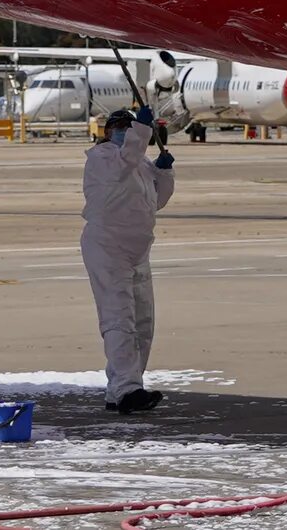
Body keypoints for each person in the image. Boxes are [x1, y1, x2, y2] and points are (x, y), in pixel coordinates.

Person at [79, 103, 175, 415]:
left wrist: (164, 171)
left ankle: (121, 386)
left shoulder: (139, 162)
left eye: (127, 126)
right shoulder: (103, 159)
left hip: (138, 250)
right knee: (119, 318)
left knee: (143, 322)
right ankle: (127, 389)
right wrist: (143, 131)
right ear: (108, 133)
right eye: (119, 127)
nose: (123, 131)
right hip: (108, 246)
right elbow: (125, 162)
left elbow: (154, 202)